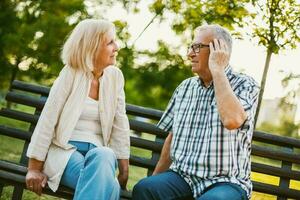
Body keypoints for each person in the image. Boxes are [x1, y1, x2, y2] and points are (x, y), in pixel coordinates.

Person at [132, 24, 259, 200]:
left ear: (219, 50)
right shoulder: (185, 87)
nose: (190, 54)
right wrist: (155, 179)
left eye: (197, 47)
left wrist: (218, 70)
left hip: (227, 182)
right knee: (145, 189)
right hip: (183, 176)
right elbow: (172, 137)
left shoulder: (246, 84)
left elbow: (232, 120)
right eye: (191, 47)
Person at [25, 19, 130, 200]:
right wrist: (34, 168)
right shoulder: (71, 73)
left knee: (105, 154)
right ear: (92, 47)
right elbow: (48, 118)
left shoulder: (116, 77)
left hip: (100, 157)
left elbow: (120, 123)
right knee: (109, 186)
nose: (117, 47)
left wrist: (124, 168)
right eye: (110, 42)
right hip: (65, 150)